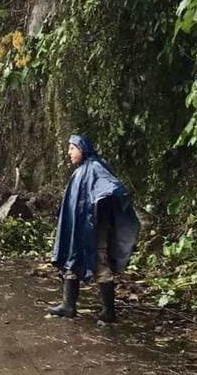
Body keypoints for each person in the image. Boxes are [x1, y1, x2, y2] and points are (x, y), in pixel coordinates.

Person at [48, 134, 139, 325]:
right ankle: (68, 306)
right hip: (79, 227)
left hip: (95, 227)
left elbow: (115, 189)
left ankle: (108, 312)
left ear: (82, 148)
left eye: (72, 148)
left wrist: (98, 207)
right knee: (73, 259)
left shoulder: (96, 168)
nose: (69, 152)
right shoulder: (81, 171)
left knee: (99, 260)